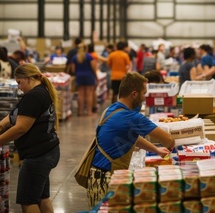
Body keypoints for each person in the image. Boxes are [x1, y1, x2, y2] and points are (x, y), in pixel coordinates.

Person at [0, 63, 60, 213]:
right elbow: (8, 120)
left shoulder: (33, 96)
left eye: (19, 83)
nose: (19, 87)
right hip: (47, 152)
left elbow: (21, 127)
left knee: (28, 201)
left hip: (38, 156)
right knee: (41, 197)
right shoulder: (39, 92)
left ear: (28, 79)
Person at [87, 72, 174, 208]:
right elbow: (168, 140)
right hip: (107, 180)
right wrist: (172, 143)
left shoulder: (112, 109)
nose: (145, 98)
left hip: (97, 176)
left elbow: (130, 136)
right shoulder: (132, 117)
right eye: (144, 93)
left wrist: (156, 150)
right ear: (134, 94)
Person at [71, 43, 98, 117]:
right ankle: (89, 112)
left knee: (80, 94)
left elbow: (73, 70)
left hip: (79, 76)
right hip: (89, 76)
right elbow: (93, 68)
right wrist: (96, 76)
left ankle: (80, 112)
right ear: (86, 49)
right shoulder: (89, 56)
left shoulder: (75, 57)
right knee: (89, 94)